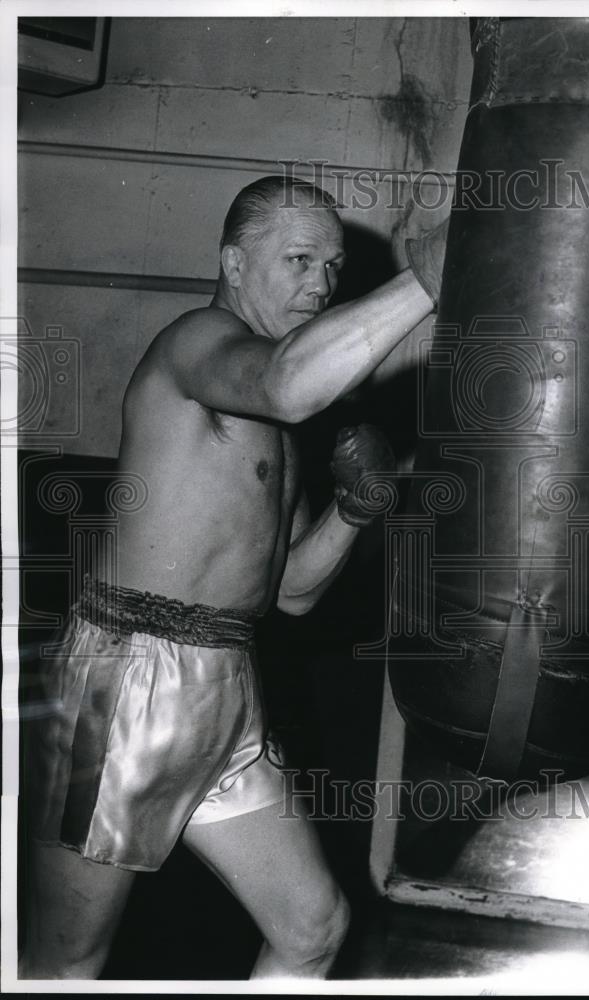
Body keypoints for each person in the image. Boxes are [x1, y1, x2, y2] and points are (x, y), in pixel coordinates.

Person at [21, 175, 448, 980]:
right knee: (63, 962)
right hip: (127, 682)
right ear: (232, 263)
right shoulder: (197, 343)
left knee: (314, 928)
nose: (320, 283)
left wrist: (355, 513)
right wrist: (427, 280)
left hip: (227, 684)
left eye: (330, 266)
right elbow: (288, 382)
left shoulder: (282, 425)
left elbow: (290, 592)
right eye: (297, 259)